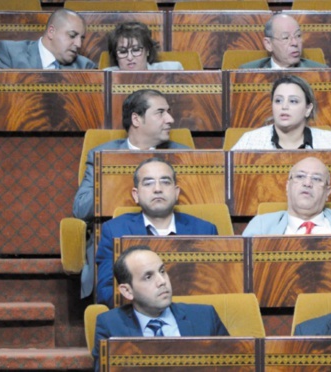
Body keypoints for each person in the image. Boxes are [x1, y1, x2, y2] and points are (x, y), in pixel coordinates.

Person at [74, 89, 189, 299]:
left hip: (176, 247)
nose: (170, 119)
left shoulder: (184, 154)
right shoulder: (101, 155)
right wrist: (116, 177)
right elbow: (81, 209)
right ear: (136, 119)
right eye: (160, 112)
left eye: (168, 112)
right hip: (117, 247)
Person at [96, 158, 218, 308]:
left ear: (176, 192)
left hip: (191, 317)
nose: (158, 189)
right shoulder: (115, 231)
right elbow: (105, 291)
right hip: (137, 318)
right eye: (148, 183)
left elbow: (215, 288)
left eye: (165, 182)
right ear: (136, 195)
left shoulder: (204, 231)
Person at [92, 245, 228, 370]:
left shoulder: (205, 317)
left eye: (162, 271)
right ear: (127, 291)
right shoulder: (110, 325)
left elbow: (233, 366)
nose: (162, 281)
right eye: (148, 277)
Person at [242, 157, 331, 235]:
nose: (307, 183)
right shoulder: (260, 227)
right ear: (287, 186)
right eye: (300, 176)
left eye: (317, 179)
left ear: (327, 192)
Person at [232, 75, 331, 150]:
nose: (284, 106)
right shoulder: (250, 141)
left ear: (308, 109)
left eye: (293, 101)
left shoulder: (327, 141)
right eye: (278, 100)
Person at [0, 9, 96, 70]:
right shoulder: (9, 53)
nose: (78, 44)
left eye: (81, 38)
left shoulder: (85, 67)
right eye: (72, 35)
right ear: (51, 32)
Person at [240, 14, 327, 69]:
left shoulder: (321, 72)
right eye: (286, 38)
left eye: (298, 36)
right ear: (268, 44)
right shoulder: (247, 73)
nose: (295, 43)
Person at [104, 22, 183, 71]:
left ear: (147, 50)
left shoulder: (172, 70)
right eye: (123, 52)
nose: (130, 57)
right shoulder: (106, 76)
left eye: (136, 50)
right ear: (116, 56)